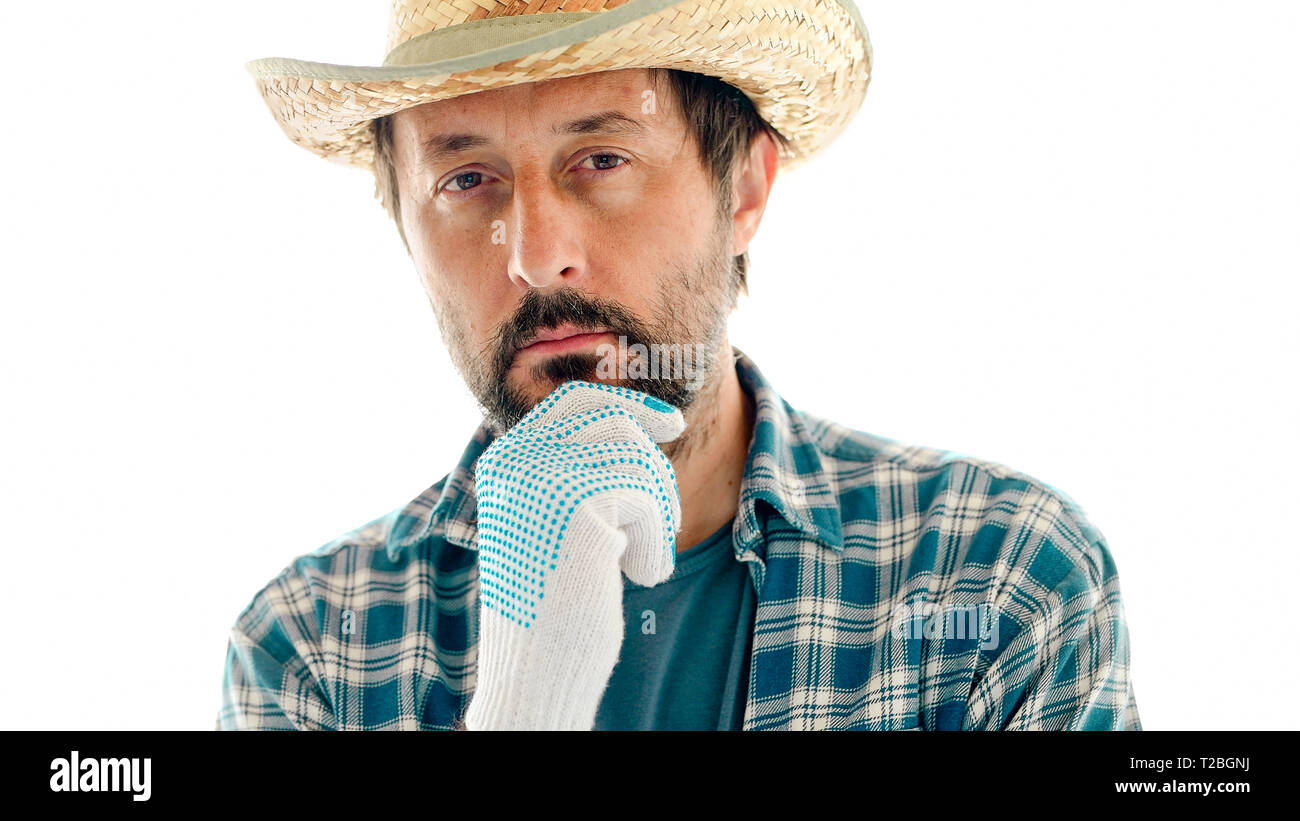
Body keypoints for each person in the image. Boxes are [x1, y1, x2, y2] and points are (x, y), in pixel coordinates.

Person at [220, 0, 1140, 731]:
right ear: (405, 229)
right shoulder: (313, 650)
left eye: (602, 157)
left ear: (742, 191)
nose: (535, 256)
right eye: (467, 180)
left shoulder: (998, 576)